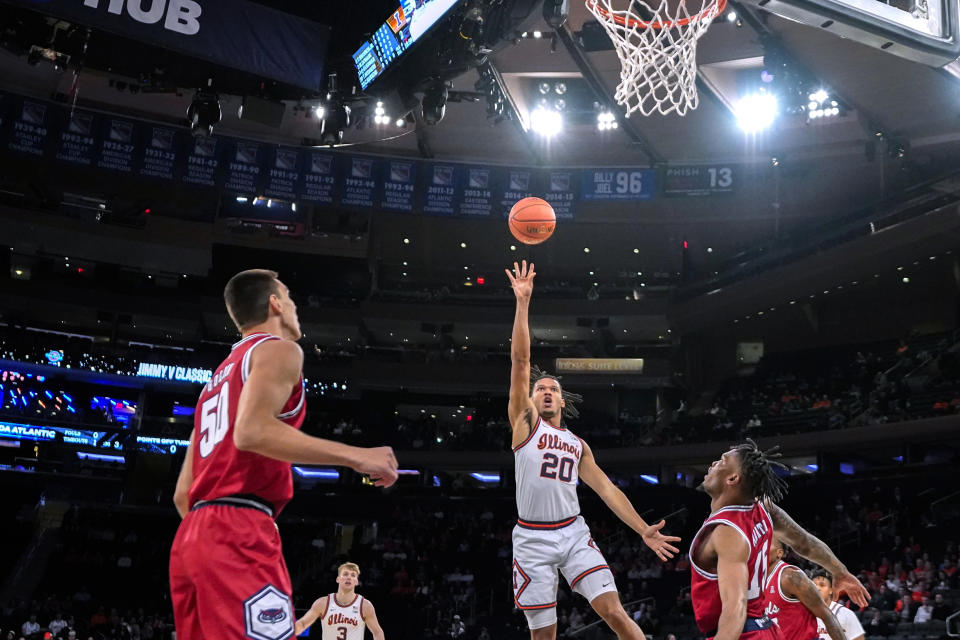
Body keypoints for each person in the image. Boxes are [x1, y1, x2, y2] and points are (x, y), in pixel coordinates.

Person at [169, 269, 398, 640]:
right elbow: (252, 432)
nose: (294, 306)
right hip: (237, 528)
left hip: (193, 534)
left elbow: (183, 493)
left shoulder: (213, 384)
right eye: (289, 297)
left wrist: (211, 536)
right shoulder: (278, 349)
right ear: (275, 303)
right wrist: (357, 456)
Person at [505, 260, 681, 640]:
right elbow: (520, 362)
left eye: (553, 389)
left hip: (572, 533)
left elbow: (607, 490)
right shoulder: (524, 425)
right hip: (532, 539)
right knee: (544, 635)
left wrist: (643, 531)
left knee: (614, 611)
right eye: (541, 389)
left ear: (563, 402)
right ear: (531, 400)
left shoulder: (577, 445)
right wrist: (523, 303)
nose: (547, 391)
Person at [691, 440, 870, 640]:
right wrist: (840, 571)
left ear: (732, 478)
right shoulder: (764, 509)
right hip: (765, 628)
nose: (713, 463)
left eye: (722, 461)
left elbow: (735, 610)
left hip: (741, 633)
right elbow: (804, 543)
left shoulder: (726, 532)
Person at [763, 538, 844, 640]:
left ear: (779, 553)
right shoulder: (755, 581)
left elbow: (828, 616)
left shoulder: (790, 576)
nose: (762, 546)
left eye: (768, 543)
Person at [293, 563, 385, 640]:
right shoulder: (323, 603)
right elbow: (303, 623)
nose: (349, 577)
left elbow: (377, 632)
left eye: (353, 575)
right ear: (338, 579)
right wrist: (286, 631)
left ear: (356, 581)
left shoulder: (365, 605)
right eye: (345, 574)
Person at [810, 572, 866, 640]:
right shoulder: (803, 613)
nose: (817, 588)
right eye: (814, 585)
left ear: (831, 590)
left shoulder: (846, 614)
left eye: (822, 585)